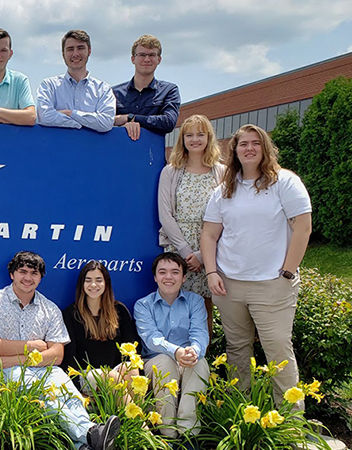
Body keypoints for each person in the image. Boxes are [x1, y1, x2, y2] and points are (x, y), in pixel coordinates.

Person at [201, 124, 312, 409]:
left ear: (265, 148)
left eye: (255, 143)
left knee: (278, 352)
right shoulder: (224, 189)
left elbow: (303, 228)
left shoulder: (285, 182)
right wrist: (212, 272)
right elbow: (210, 234)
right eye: (243, 144)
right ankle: (242, 412)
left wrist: (287, 271)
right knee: (237, 350)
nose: (249, 148)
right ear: (234, 150)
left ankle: (289, 422)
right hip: (229, 285)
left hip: (272, 285)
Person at [0, 251, 120, 450]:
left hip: (40, 368)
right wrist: (32, 347)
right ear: (12, 274)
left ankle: (85, 443)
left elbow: (57, 355)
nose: (28, 278)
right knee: (46, 395)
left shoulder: (50, 308)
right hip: (4, 371)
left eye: (34, 273)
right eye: (22, 272)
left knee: (68, 393)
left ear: (40, 277)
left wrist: (15, 357)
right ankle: (90, 433)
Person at [158, 114, 225, 336]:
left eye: (200, 134)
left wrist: (202, 255)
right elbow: (165, 214)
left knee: (204, 309)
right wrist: (187, 253)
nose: (194, 139)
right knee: (175, 303)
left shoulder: (221, 172)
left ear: (209, 138)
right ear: (182, 139)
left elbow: (228, 215)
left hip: (211, 249)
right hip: (178, 248)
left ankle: (201, 361)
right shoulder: (171, 171)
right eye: (189, 135)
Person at [134, 252, 209, 441]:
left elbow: (200, 333)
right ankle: (168, 434)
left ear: (184, 277)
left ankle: (189, 434)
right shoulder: (143, 305)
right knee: (166, 362)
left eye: (175, 272)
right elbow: (151, 338)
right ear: (155, 277)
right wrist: (176, 351)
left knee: (199, 363)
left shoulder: (196, 302)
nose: (168, 277)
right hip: (156, 361)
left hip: (188, 360)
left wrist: (194, 351)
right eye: (163, 272)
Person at [62, 261, 139, 387]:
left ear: (106, 284)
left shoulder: (119, 311)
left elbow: (131, 349)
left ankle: (131, 406)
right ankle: (132, 407)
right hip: (85, 376)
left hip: (116, 373)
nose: (93, 285)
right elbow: (70, 357)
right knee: (110, 377)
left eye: (99, 280)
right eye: (88, 280)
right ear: (82, 284)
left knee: (131, 368)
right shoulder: (71, 314)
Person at [36, 30, 115, 131]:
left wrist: (70, 113)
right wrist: (81, 123)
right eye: (70, 49)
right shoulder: (49, 86)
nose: (75, 54)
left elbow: (106, 123)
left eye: (80, 48)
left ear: (89, 51)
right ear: (63, 54)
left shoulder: (103, 90)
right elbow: (44, 117)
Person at [112, 34, 180, 141]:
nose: (147, 59)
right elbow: (106, 122)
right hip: (119, 153)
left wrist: (131, 118)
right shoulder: (114, 93)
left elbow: (169, 122)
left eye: (152, 55)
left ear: (159, 59)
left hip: (152, 155)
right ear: (133, 59)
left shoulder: (169, 91)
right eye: (142, 55)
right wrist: (123, 126)